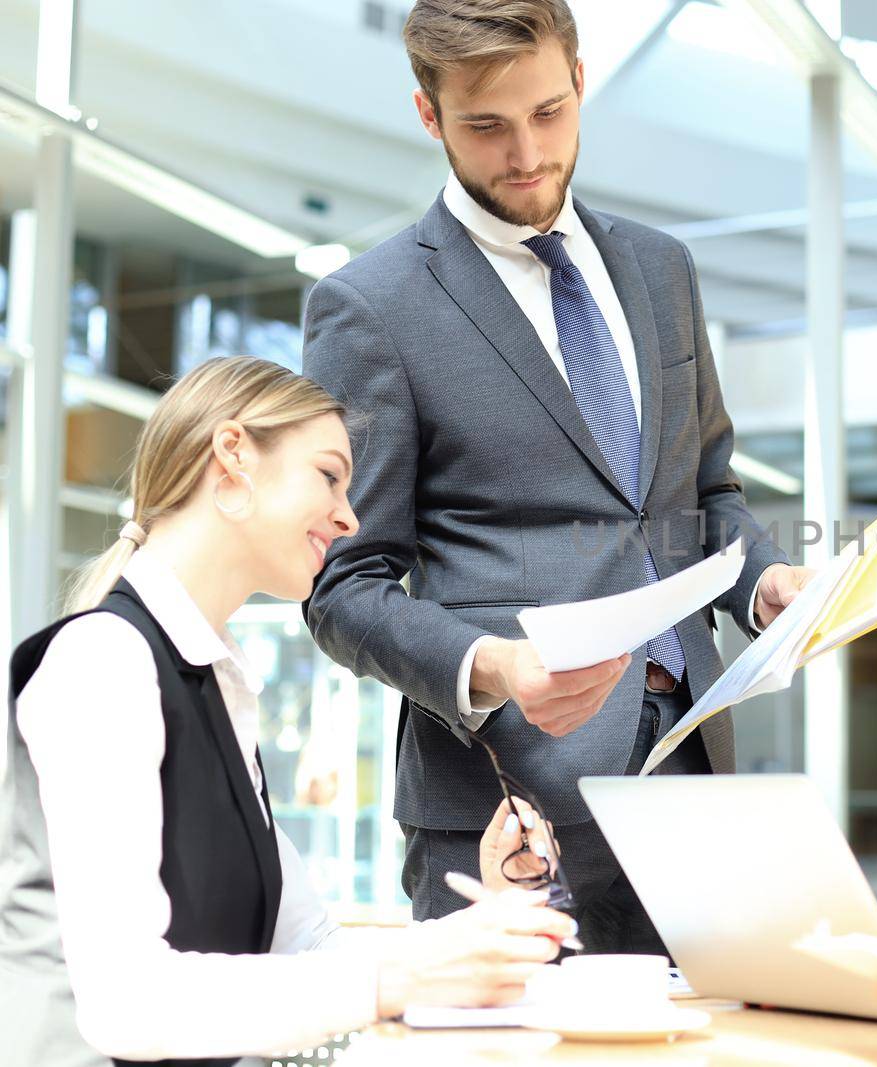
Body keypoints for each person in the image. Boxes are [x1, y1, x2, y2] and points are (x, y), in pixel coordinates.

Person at [301, 0, 806, 950]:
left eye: (548, 114)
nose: (526, 154)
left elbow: (703, 496)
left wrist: (767, 580)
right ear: (429, 115)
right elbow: (343, 587)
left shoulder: (662, 270)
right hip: (506, 808)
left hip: (690, 776)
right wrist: (491, 667)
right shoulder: (371, 307)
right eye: (486, 127)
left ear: (580, 81)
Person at [0, 357, 574, 1067]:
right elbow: (128, 1002)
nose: (350, 515)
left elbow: (310, 947)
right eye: (329, 475)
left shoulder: (215, 686)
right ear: (233, 457)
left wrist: (477, 929)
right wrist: (406, 971)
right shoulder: (104, 661)